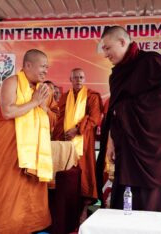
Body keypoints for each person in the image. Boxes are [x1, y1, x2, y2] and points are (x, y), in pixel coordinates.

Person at [99, 26, 161, 212]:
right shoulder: (116, 75)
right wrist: (111, 141)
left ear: (122, 42)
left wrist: (123, 112)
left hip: (156, 145)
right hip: (129, 146)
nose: (105, 54)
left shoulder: (151, 62)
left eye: (107, 48)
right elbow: (115, 111)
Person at [0, 49, 53, 234]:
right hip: (10, 154)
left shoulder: (39, 90)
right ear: (28, 65)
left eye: (47, 67)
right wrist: (34, 102)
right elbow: (7, 112)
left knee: (31, 201)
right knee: (7, 199)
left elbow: (49, 120)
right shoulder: (12, 82)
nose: (45, 71)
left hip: (31, 158)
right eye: (42, 66)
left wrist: (43, 107)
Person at [52, 68, 103, 218]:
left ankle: (83, 211)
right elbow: (59, 119)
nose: (78, 80)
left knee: (84, 175)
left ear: (85, 79)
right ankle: (66, 211)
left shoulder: (91, 96)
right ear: (70, 80)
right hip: (65, 143)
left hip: (84, 142)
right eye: (75, 77)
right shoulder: (65, 97)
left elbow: (94, 118)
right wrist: (60, 137)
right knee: (66, 176)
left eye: (81, 77)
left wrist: (77, 130)